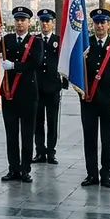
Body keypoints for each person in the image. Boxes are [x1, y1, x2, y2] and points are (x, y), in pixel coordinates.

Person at [80, 9, 110, 188]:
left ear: (108, 24)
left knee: (107, 139)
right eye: (97, 23)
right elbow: (78, 69)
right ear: (93, 25)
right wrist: (80, 91)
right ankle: (91, 174)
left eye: (103, 22)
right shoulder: (86, 44)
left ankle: (106, 173)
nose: (99, 26)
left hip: (108, 99)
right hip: (89, 99)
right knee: (89, 138)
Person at [1, 7, 43, 182]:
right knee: (11, 134)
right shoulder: (6, 39)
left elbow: (36, 63)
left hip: (27, 94)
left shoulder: (36, 42)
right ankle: (13, 169)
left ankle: (25, 169)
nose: (19, 23)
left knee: (27, 134)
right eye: (17, 19)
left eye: (23, 20)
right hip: (9, 94)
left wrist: (14, 66)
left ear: (29, 22)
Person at [31, 9, 64, 165]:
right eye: (42, 21)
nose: (44, 24)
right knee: (38, 122)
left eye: (47, 21)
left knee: (52, 122)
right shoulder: (34, 40)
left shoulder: (59, 41)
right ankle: (40, 151)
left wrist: (64, 82)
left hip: (52, 88)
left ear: (52, 23)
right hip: (36, 87)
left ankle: (51, 152)